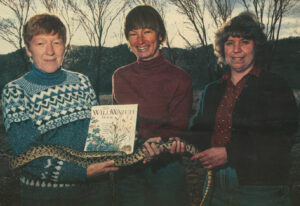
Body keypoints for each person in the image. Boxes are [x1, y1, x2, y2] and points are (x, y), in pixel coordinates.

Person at [179, 12, 299, 206]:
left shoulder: (276, 86)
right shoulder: (212, 90)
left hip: (260, 190)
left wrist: (230, 154)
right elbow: (200, 133)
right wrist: (176, 140)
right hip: (215, 187)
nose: (236, 50)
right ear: (222, 48)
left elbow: (281, 142)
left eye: (244, 42)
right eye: (229, 43)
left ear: (256, 46)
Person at [1, 14, 118, 206]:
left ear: (65, 46)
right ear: (28, 50)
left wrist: (128, 141)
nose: (49, 51)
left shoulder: (82, 82)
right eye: (40, 44)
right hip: (46, 197)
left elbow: (100, 136)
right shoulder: (16, 92)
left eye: (56, 42)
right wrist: (83, 172)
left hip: (98, 193)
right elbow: (27, 155)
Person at [112, 5, 193, 206]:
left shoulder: (179, 78)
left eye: (147, 32)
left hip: (166, 166)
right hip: (128, 168)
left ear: (161, 36)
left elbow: (179, 128)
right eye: (133, 34)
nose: (140, 40)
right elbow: (118, 131)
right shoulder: (120, 76)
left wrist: (158, 144)